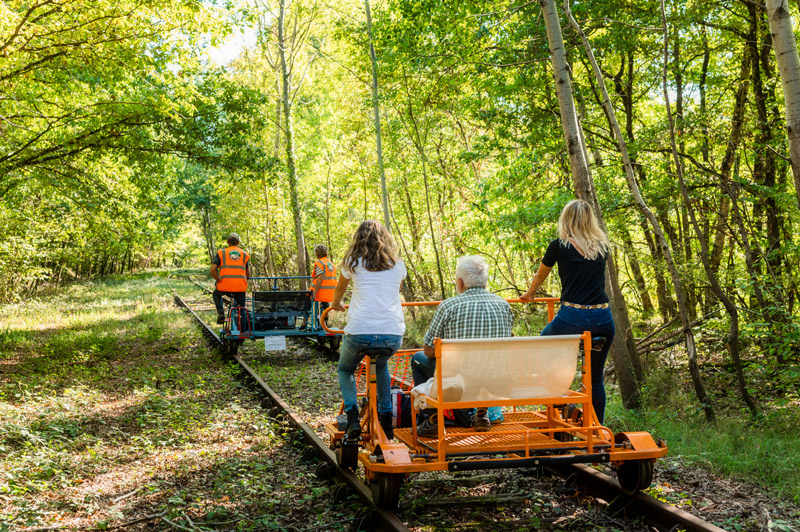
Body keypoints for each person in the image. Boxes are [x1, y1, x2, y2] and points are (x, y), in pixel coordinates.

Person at [520, 199, 615, 424]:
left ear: (566, 219)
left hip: (573, 317)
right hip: (603, 318)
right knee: (595, 380)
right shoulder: (602, 247)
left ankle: (559, 397)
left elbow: (541, 275)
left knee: (542, 344)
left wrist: (530, 293)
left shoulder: (559, 246)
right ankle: (597, 429)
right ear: (590, 220)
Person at [412, 255, 513, 437]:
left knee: (418, 358)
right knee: (485, 366)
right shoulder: (504, 305)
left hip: (459, 379)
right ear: (485, 281)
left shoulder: (449, 306)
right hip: (497, 378)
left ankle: (432, 419)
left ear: (460, 282)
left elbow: (428, 350)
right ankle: (481, 414)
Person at [330, 220, 406, 440]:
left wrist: (336, 304)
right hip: (391, 332)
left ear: (358, 239)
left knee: (345, 370)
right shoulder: (397, 264)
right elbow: (394, 290)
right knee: (381, 365)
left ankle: (352, 418)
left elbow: (338, 292)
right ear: (385, 239)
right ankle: (386, 421)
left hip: (360, 331)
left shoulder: (352, 262)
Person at [210, 233, 251, 324]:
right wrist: (242, 281)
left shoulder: (222, 253)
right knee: (242, 308)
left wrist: (218, 280)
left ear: (228, 242)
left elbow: (212, 270)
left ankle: (221, 312)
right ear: (238, 242)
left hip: (225, 286)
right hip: (240, 287)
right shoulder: (244, 254)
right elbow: (248, 273)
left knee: (216, 294)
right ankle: (243, 331)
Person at [311, 244, 337, 313]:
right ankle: (325, 318)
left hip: (321, 291)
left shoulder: (320, 264)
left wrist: (314, 293)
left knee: (307, 300)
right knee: (325, 303)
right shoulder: (330, 263)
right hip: (330, 292)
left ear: (317, 253)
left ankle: (304, 322)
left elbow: (319, 279)